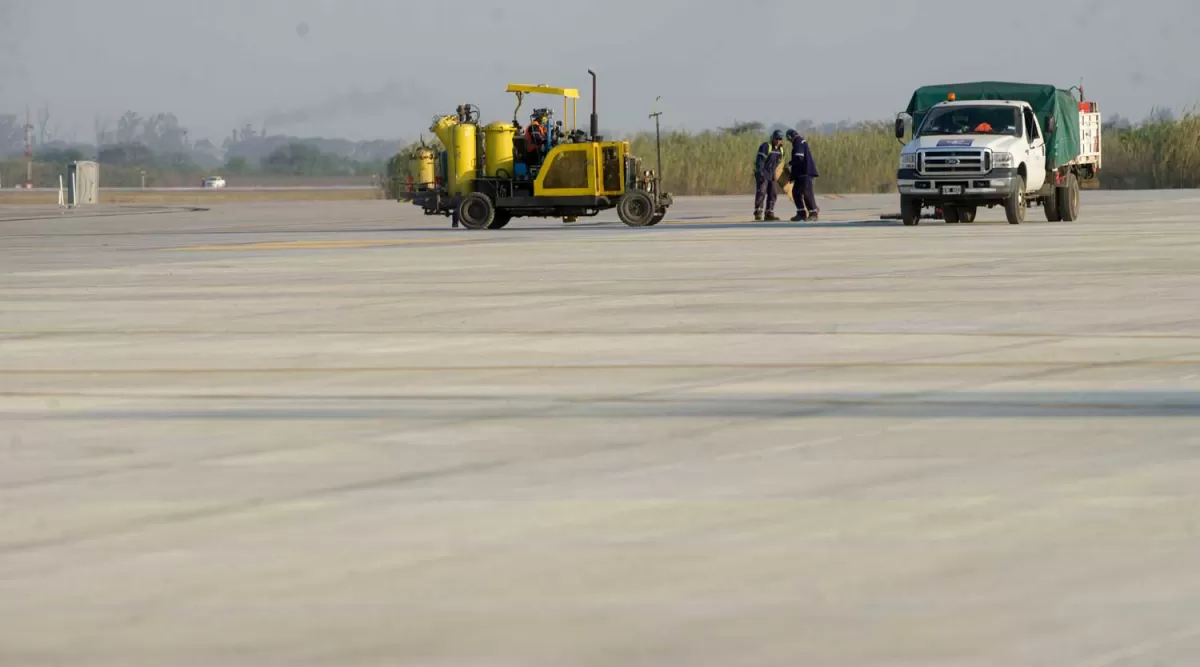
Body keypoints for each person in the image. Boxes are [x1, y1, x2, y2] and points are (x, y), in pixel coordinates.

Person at [786, 129, 819, 221]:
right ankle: (801, 213)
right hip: (800, 174)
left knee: (807, 193)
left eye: (788, 139)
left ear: (790, 137)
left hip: (805, 172)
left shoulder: (798, 142)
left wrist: (789, 164)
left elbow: (799, 157)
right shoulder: (800, 141)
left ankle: (813, 213)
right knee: (796, 192)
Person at [754, 130, 786, 221]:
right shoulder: (766, 146)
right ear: (772, 138)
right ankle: (758, 212)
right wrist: (761, 173)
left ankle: (769, 214)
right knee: (761, 192)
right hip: (763, 172)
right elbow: (760, 161)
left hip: (773, 173)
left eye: (780, 139)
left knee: (773, 193)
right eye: (776, 138)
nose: (778, 141)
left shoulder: (781, 149)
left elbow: (781, 163)